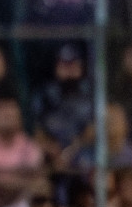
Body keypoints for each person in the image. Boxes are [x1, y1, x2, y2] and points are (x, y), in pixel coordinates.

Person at [33, 45, 94, 174]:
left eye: (73, 65)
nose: (69, 70)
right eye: (64, 65)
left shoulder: (91, 93)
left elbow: (94, 129)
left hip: (84, 154)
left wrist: (71, 151)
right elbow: (36, 131)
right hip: (52, 156)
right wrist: (51, 149)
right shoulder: (45, 94)